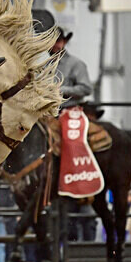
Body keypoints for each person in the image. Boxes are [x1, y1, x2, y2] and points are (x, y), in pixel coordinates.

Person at [46, 20, 98, 241]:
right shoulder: (44, 65)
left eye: (58, 40)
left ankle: (76, 182)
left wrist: (61, 89)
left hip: (70, 111)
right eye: (52, 41)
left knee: (73, 143)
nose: (55, 45)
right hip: (48, 112)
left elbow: (86, 88)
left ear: (64, 41)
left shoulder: (76, 64)